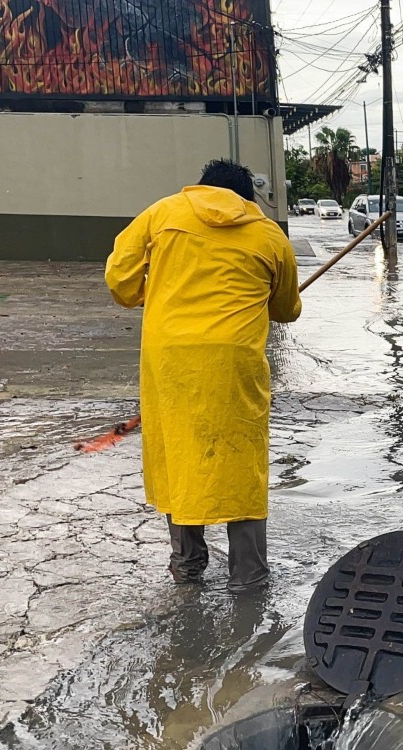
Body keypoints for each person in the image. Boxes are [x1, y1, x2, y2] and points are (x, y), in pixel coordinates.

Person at [105, 159, 302, 592]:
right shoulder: (270, 235)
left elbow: (119, 280)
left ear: (200, 189)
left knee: (179, 450)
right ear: (249, 199)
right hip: (234, 362)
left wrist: (151, 294)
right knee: (241, 460)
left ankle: (187, 567)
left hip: (170, 359)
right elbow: (287, 310)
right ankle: (249, 577)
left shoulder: (162, 214)